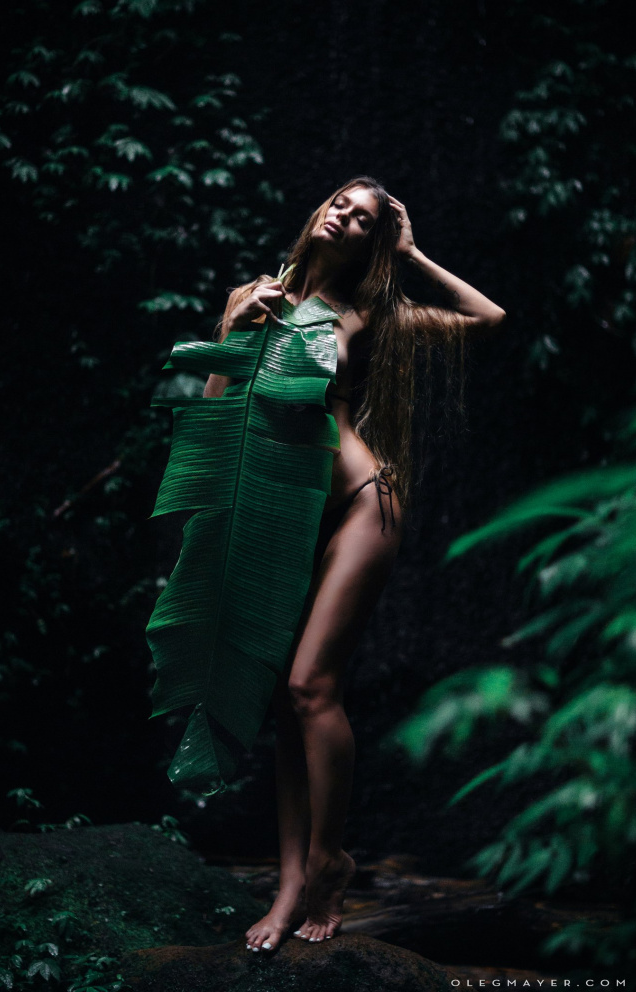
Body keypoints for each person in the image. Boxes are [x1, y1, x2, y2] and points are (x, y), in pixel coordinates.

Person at [202, 176, 506, 952]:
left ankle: (328, 862)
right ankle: (290, 883)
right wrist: (232, 327)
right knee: (284, 704)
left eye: (365, 219)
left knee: (311, 686)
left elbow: (487, 319)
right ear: (318, 211)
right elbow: (212, 417)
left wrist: (413, 255)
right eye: (341, 203)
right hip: (288, 515)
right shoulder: (252, 298)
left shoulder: (369, 315)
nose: (345, 216)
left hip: (362, 503)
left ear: (374, 241)